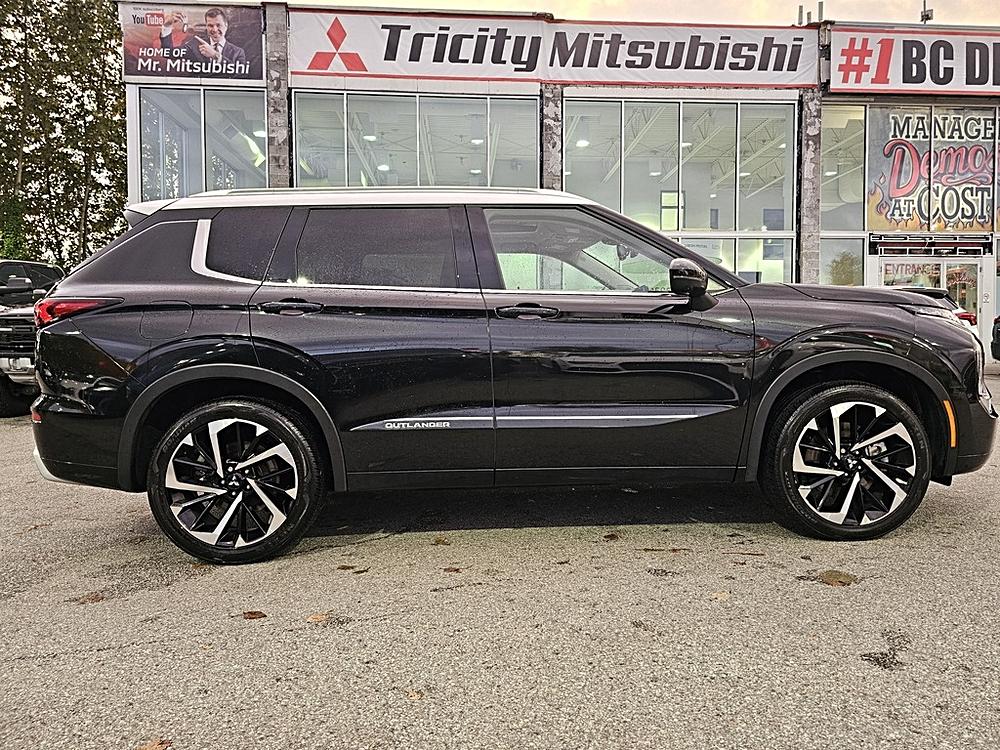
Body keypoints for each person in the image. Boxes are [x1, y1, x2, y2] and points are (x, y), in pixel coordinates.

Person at [159, 8, 247, 68]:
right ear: (206, 27)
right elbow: (168, 53)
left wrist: (215, 56)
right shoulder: (195, 44)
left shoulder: (238, 52)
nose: (214, 29)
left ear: (226, 26)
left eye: (218, 25)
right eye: (210, 25)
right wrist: (167, 26)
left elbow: (241, 73)